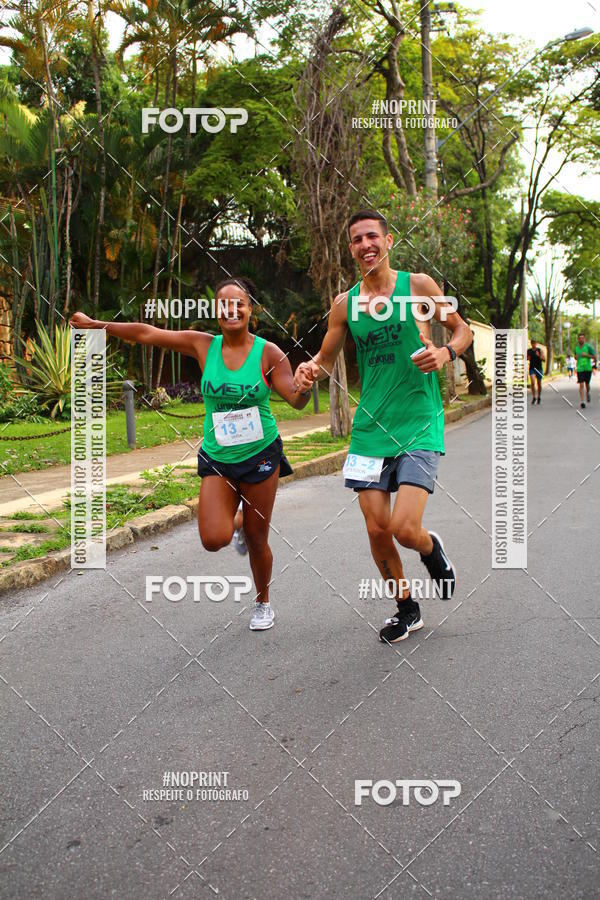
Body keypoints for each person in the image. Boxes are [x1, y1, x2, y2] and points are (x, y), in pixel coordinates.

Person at [70, 276, 311, 631]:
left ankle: (263, 603)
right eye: (224, 304)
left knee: (258, 540)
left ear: (250, 310)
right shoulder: (203, 345)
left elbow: (295, 398)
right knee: (213, 539)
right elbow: (147, 333)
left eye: (239, 304)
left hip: (261, 453)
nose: (232, 310)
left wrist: (305, 388)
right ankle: (239, 519)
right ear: (217, 312)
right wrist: (95, 326)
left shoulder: (268, 352)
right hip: (218, 456)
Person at [294, 209, 473, 645]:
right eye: (356, 239)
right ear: (351, 248)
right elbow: (325, 355)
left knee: (403, 528)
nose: (365, 244)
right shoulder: (345, 304)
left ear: (388, 241)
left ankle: (431, 549)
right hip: (370, 430)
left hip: (417, 424)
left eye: (372, 236)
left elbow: (462, 329)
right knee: (377, 529)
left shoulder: (419, 287)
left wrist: (446, 354)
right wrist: (309, 369)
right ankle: (407, 609)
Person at [574, 331, 594, 408]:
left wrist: (586, 355)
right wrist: (576, 357)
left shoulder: (588, 347)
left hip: (588, 368)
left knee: (587, 384)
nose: (581, 339)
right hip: (580, 369)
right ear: (578, 340)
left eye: (582, 338)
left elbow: (594, 356)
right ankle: (583, 401)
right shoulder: (576, 348)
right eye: (579, 338)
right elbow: (575, 357)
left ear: (584, 339)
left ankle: (588, 392)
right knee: (581, 384)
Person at [527, 340, 545, 405]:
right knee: (532, 382)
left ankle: (539, 396)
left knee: (539, 383)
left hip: (539, 369)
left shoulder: (540, 350)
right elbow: (527, 358)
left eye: (534, 343)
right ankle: (534, 397)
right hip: (532, 368)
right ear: (531, 344)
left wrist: (539, 356)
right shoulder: (529, 351)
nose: (533, 345)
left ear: (536, 344)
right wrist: (528, 358)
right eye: (532, 343)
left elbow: (544, 359)